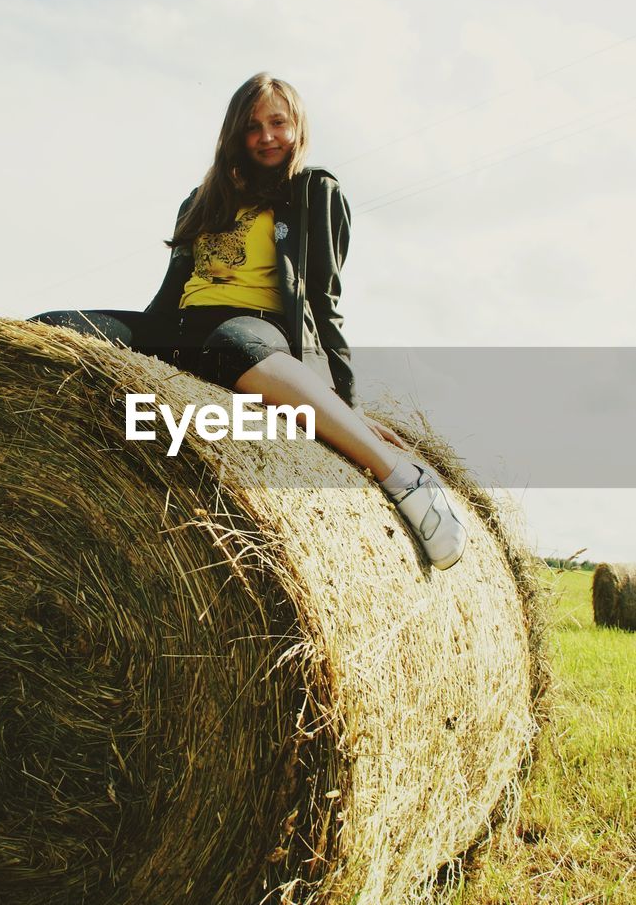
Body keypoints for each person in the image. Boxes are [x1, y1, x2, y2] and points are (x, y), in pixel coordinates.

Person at [32, 73, 466, 570]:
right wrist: (135, 355)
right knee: (55, 325)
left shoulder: (314, 191)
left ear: (297, 126)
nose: (266, 136)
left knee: (227, 343)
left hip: (255, 331)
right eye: (253, 126)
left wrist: (341, 403)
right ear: (235, 134)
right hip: (183, 326)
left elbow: (324, 302)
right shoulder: (201, 199)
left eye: (277, 122)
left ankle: (404, 478)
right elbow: (170, 291)